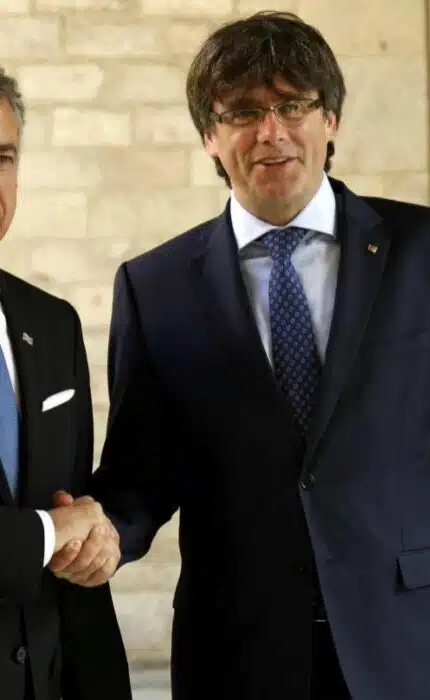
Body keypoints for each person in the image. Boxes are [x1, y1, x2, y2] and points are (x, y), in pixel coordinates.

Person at [52, 11, 430, 700]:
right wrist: (100, 530)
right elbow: (142, 471)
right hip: (237, 655)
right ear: (209, 136)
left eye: (293, 105)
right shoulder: (155, 286)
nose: (272, 131)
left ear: (331, 120)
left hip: (409, 647)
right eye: (242, 112)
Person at [0, 69, 132, 700]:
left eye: (2, 157)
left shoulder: (52, 325)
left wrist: (95, 541)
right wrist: (56, 532)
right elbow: (63, 524)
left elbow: (74, 511)